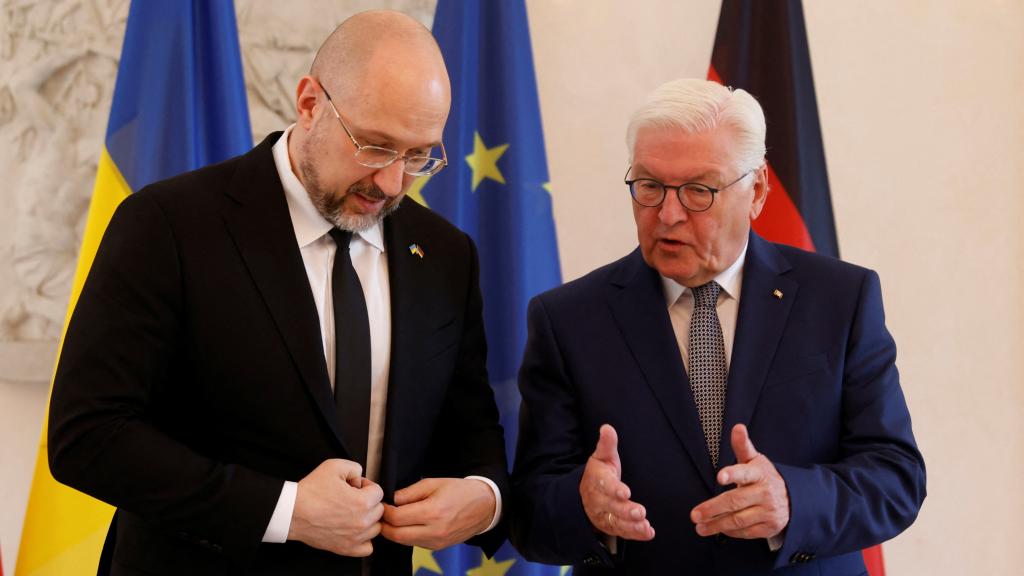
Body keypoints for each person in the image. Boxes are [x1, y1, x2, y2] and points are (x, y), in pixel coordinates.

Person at [48, 10, 508, 576]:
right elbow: (88, 435)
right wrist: (285, 511)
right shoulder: (168, 224)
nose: (392, 182)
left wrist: (484, 497)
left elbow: (472, 427)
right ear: (310, 103)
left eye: (419, 156)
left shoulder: (445, 254)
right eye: (374, 146)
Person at [510, 78, 925, 574]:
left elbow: (896, 477)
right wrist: (584, 507)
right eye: (649, 186)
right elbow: (529, 508)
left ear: (758, 190)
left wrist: (794, 500)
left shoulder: (841, 299)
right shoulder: (568, 319)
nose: (668, 215)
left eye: (698, 191)